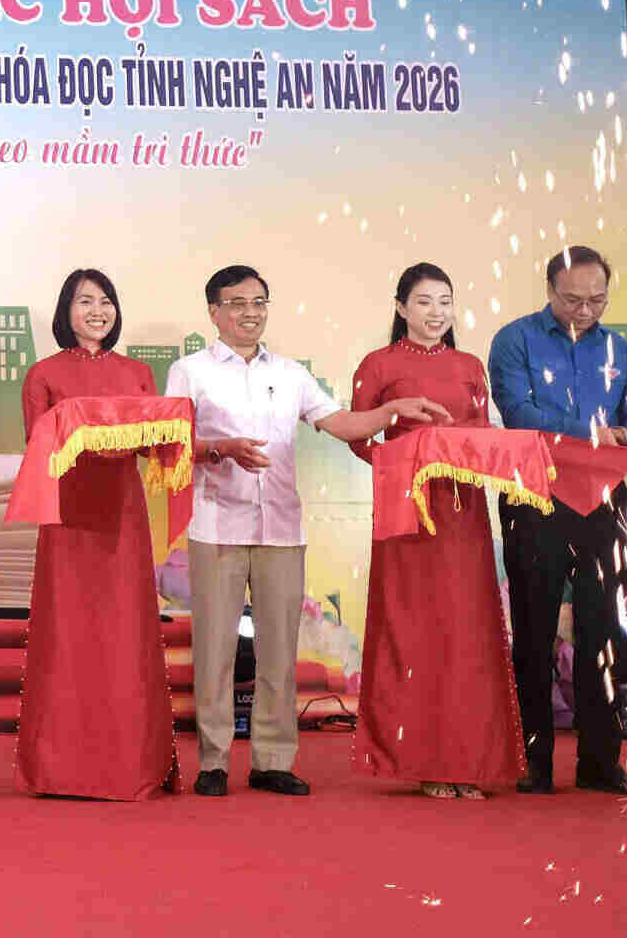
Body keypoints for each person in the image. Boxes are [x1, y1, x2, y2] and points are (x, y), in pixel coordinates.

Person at [166, 264, 448, 798]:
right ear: (214, 313)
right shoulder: (190, 370)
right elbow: (176, 444)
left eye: (259, 302)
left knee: (277, 650)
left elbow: (339, 424)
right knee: (215, 649)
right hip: (216, 524)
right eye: (237, 303)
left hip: (281, 527)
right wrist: (220, 449)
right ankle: (213, 761)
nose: (250, 312)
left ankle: (273, 759)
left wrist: (390, 410)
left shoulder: (291, 373)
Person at [347, 262, 524, 799]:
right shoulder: (377, 365)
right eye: (423, 302)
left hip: (464, 513)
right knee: (415, 630)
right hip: (408, 515)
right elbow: (360, 438)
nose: (436, 313)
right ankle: (425, 759)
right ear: (401, 308)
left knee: (469, 632)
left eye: (444, 302)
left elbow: (483, 434)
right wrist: (408, 459)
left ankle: (470, 762)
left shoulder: (471, 364)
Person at [488, 244, 627, 795]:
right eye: (573, 298)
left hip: (604, 503)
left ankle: (599, 762)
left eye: (597, 298)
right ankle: (533, 760)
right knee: (533, 629)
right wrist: (594, 432)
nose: (585, 309)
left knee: (602, 632)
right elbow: (519, 412)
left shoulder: (621, 350)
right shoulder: (515, 340)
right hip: (536, 499)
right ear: (550, 290)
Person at [16, 268, 175, 800]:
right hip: (67, 513)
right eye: (84, 302)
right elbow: (36, 449)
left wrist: (183, 434)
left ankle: (132, 762)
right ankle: (62, 767)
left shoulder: (137, 373)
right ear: (66, 311)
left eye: (105, 301)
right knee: (68, 630)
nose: (96, 311)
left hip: (123, 510)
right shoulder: (43, 374)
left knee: (125, 627)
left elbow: (155, 444)